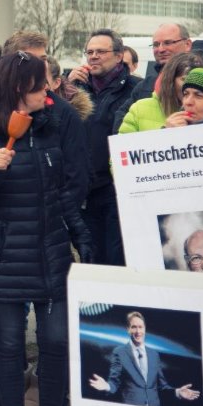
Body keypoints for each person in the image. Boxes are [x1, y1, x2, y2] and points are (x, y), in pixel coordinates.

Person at [0, 52, 93, 406]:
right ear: (19, 88)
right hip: (3, 259)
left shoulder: (51, 127)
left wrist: (81, 236)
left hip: (51, 254)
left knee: (55, 342)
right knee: (9, 348)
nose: (47, 93)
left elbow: (63, 192)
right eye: (39, 86)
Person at [68, 28, 139, 266]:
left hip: (117, 189)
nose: (93, 56)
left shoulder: (136, 89)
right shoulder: (76, 88)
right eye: (89, 52)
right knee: (91, 259)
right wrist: (67, 87)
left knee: (117, 259)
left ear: (119, 56)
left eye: (100, 51)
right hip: (85, 191)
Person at [88, 312, 200, 406]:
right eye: (134, 327)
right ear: (128, 329)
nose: (138, 331)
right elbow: (114, 382)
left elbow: (162, 387)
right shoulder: (120, 352)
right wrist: (107, 386)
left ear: (145, 329)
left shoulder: (154, 354)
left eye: (140, 327)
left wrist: (178, 392)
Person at [114, 23, 192, 129]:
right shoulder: (145, 85)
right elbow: (121, 125)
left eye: (168, 43)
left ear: (187, 44)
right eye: (156, 44)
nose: (160, 49)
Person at [118, 52, 203, 135]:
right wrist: (164, 134)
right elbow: (124, 145)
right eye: (185, 79)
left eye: (198, 81)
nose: (192, 85)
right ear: (170, 81)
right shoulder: (139, 109)